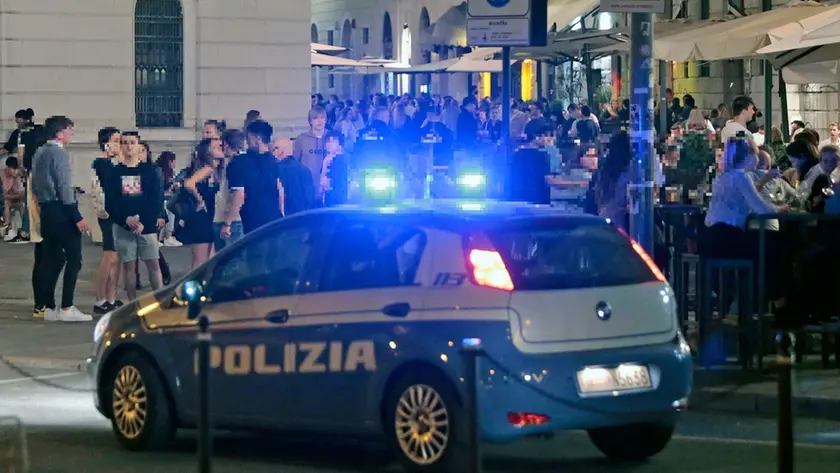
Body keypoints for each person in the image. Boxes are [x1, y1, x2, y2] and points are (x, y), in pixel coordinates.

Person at [31, 115, 92, 322]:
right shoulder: (59, 154)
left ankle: (46, 306)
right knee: (74, 258)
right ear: (60, 132)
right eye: (69, 129)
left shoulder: (39, 151)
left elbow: (35, 184)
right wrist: (76, 216)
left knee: (51, 259)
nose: (72, 133)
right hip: (61, 211)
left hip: (46, 209)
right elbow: (63, 187)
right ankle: (67, 306)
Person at [105, 131, 164, 302]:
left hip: (147, 227)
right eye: (125, 142)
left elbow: (156, 199)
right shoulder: (114, 173)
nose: (129, 146)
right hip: (124, 226)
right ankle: (132, 303)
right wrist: (125, 220)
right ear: (121, 146)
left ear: (139, 146)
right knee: (128, 266)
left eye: (132, 142)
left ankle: (160, 301)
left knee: (153, 264)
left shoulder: (152, 171)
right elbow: (110, 202)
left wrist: (144, 222)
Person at [225, 120, 283, 234]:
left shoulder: (240, 162)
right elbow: (280, 191)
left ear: (257, 139)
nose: (247, 141)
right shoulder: (276, 162)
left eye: (249, 138)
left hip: (251, 222)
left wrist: (228, 223)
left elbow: (239, 195)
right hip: (274, 219)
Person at [90, 127, 123, 314]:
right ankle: (100, 298)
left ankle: (111, 297)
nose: (120, 144)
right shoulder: (102, 163)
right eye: (116, 140)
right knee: (109, 255)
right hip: (108, 214)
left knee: (116, 257)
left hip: (118, 213)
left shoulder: (114, 162)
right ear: (106, 142)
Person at [181, 138, 221, 268]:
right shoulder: (207, 168)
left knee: (208, 258)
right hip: (201, 217)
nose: (220, 148)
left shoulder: (216, 169)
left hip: (209, 217)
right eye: (215, 147)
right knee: (200, 261)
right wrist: (200, 199)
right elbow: (189, 183)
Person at [215, 130, 245, 251]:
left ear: (226, 145)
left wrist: (227, 223)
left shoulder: (235, 163)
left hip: (233, 219)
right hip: (242, 218)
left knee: (230, 263)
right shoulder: (247, 160)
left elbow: (237, 194)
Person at [293, 106, 328, 201]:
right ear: (310, 121)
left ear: (325, 120)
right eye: (315, 118)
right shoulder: (302, 139)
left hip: (328, 189)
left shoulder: (332, 137)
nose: (319, 121)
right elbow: (295, 162)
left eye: (322, 117)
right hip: (307, 188)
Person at [275, 137, 315, 215]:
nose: (273, 152)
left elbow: (279, 197)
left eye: (276, 148)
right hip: (303, 217)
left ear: (282, 151)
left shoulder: (276, 170)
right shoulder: (305, 170)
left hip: (285, 218)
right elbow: (310, 197)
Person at [321, 130, 349, 207]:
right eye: (328, 141)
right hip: (329, 201)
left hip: (338, 202)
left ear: (340, 144)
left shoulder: (341, 161)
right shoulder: (328, 159)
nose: (329, 144)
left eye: (333, 141)